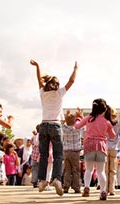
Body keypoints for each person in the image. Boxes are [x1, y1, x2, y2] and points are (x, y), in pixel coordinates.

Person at [30, 59, 78, 196]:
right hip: (56, 125)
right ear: (57, 85)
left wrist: (37, 66)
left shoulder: (42, 93)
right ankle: (57, 178)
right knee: (57, 155)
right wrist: (75, 69)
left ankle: (42, 180)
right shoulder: (59, 93)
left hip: (44, 125)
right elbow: (71, 81)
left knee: (43, 155)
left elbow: (38, 80)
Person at [74, 99, 116, 200]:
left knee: (88, 169)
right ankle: (103, 191)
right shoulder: (106, 121)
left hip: (89, 145)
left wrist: (78, 118)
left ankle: (87, 188)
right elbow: (113, 135)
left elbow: (77, 126)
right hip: (101, 146)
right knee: (101, 171)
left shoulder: (89, 118)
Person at [104, 106, 120, 195]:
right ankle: (112, 189)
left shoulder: (104, 123)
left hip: (105, 148)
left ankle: (105, 188)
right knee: (113, 171)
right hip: (115, 149)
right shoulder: (118, 123)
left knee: (105, 170)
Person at [62, 111, 83, 193]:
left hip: (66, 151)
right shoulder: (78, 128)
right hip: (75, 152)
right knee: (76, 170)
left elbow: (61, 123)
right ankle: (76, 187)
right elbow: (83, 124)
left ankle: (66, 186)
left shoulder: (64, 128)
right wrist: (80, 115)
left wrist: (65, 117)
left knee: (67, 170)